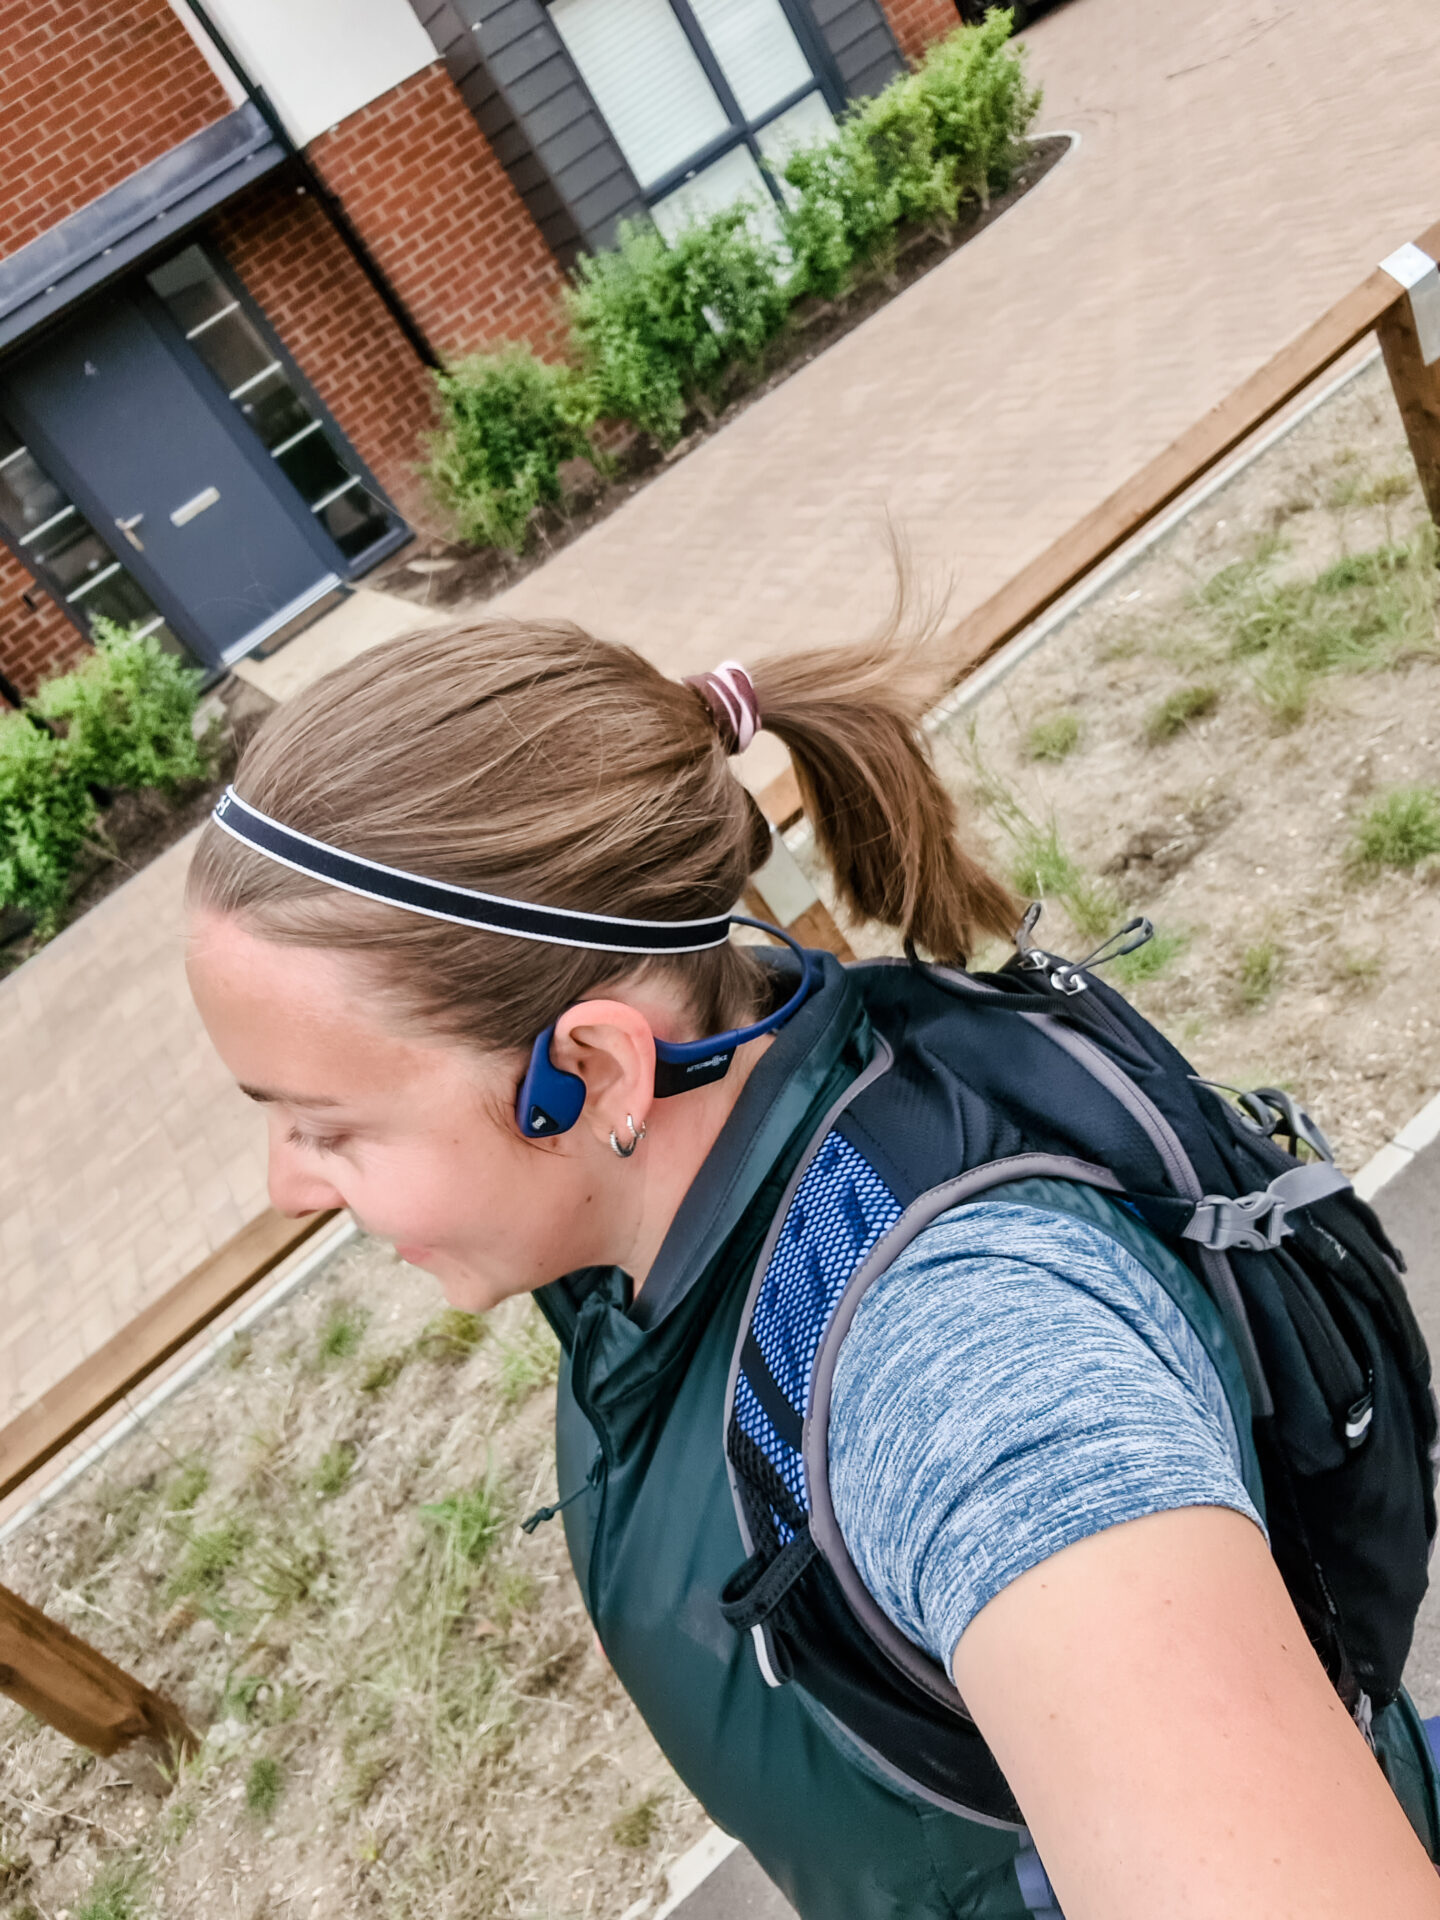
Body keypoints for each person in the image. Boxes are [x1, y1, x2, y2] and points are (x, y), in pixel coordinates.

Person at [186, 617, 1440, 1920]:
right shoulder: (669, 1222)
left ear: (598, 1073)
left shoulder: (962, 1376)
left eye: (326, 1128)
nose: (288, 1186)